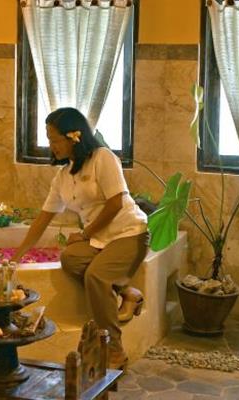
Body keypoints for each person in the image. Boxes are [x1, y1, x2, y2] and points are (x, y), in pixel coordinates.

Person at [13, 107, 149, 369]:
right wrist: (16, 257)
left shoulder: (103, 158)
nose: (51, 146)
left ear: (73, 136)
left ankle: (115, 349)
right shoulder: (63, 176)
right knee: (71, 258)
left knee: (96, 276)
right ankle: (127, 292)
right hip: (100, 240)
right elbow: (43, 219)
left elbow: (115, 204)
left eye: (54, 139)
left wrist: (86, 233)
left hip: (129, 233)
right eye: (49, 139)